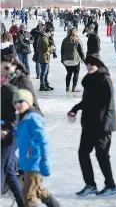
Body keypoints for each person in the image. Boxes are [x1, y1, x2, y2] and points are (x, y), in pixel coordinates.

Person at [68, 54, 116, 197]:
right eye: (87, 64)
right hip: (89, 124)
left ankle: (111, 185)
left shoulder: (104, 79)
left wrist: (106, 125)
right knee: (83, 153)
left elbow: (110, 105)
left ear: (98, 65)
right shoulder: (89, 80)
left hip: (102, 125)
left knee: (102, 155)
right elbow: (87, 101)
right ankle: (90, 185)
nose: (88, 66)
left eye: (91, 64)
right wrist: (75, 109)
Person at [13, 89, 60, 207]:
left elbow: (43, 140)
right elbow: (22, 133)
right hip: (28, 161)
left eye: (20, 101)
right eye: (15, 102)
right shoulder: (24, 117)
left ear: (28, 102)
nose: (17, 104)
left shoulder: (33, 118)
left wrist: (44, 159)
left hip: (35, 161)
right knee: (38, 189)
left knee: (28, 195)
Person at [1, 69, 24, 207]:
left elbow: (20, 113)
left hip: (10, 137)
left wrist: (7, 129)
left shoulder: (11, 91)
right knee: (9, 173)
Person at [61, 28, 85, 92]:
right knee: (76, 73)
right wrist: (84, 59)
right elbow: (81, 51)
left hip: (66, 60)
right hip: (75, 60)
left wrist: (62, 59)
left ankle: (67, 87)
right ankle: (74, 88)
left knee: (69, 73)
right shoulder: (77, 40)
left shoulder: (64, 40)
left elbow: (62, 51)